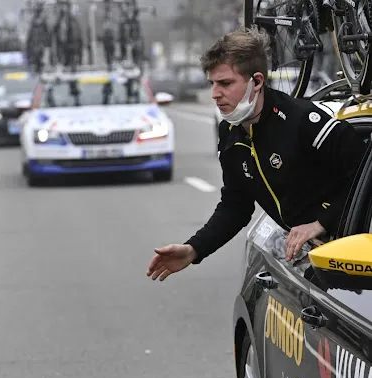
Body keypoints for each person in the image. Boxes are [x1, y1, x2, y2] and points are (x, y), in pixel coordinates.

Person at [147, 27, 367, 281]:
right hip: (310, 259)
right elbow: (236, 205)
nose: (215, 93)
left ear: (257, 81)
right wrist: (194, 249)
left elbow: (365, 176)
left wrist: (321, 223)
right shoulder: (230, 131)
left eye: (225, 83)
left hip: (353, 253)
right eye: (212, 83)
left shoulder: (303, 121)